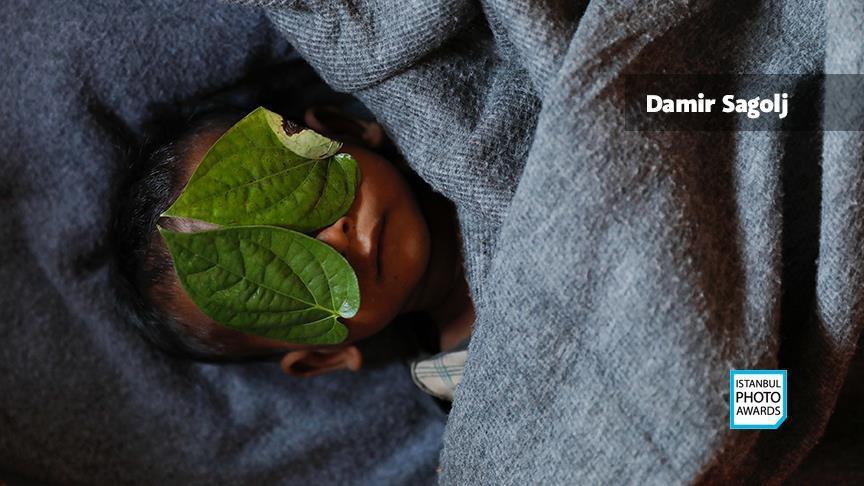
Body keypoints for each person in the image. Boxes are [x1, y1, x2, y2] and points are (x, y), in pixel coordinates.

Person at [115, 104, 474, 395]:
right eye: (291, 278)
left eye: (305, 195)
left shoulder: (457, 120)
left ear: (341, 130)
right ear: (322, 355)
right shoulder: (467, 379)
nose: (335, 240)